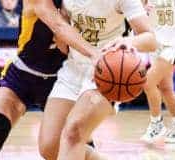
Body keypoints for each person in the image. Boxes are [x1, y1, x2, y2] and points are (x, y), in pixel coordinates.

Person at [33, 0, 157, 160]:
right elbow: (63, 17)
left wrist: (128, 41)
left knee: (73, 132)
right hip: (73, 69)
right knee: (50, 147)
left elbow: (151, 39)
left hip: (108, 73)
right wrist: (61, 33)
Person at [0, 0, 68, 159]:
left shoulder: (82, 5)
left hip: (64, 79)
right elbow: (59, 28)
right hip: (23, 73)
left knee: (74, 140)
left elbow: (65, 46)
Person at [140, 0, 175, 143]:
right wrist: (143, 8)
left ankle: (156, 123)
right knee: (166, 88)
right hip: (157, 44)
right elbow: (138, 12)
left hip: (174, 44)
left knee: (147, 82)